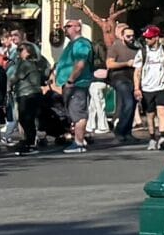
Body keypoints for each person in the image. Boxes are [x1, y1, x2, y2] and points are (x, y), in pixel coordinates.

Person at [50, 21, 95, 152]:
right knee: (73, 113)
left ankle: (79, 143)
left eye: (68, 26)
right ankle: (80, 139)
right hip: (70, 85)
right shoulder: (71, 44)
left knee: (78, 113)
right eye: (65, 27)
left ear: (77, 28)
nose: (65, 29)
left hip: (77, 85)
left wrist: (70, 80)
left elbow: (80, 64)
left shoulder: (81, 44)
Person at [136, 25, 164, 151]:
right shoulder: (142, 52)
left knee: (162, 112)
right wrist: (137, 88)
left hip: (163, 86)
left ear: (156, 37)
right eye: (146, 38)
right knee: (150, 114)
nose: (147, 40)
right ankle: (152, 138)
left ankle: (162, 137)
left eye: (149, 38)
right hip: (147, 87)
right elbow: (137, 71)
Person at [9, 34, 50, 153]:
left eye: (21, 50)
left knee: (25, 119)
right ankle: (29, 141)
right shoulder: (36, 63)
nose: (19, 52)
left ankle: (30, 142)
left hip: (26, 93)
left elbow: (15, 78)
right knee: (28, 119)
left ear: (28, 51)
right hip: (34, 93)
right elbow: (45, 74)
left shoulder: (25, 64)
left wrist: (7, 86)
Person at [104, 24, 139, 144]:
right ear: (122, 36)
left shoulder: (137, 47)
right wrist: (126, 63)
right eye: (128, 36)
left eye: (133, 36)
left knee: (133, 104)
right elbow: (109, 64)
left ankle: (127, 132)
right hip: (119, 77)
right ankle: (119, 132)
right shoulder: (116, 46)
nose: (131, 38)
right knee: (128, 103)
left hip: (133, 78)